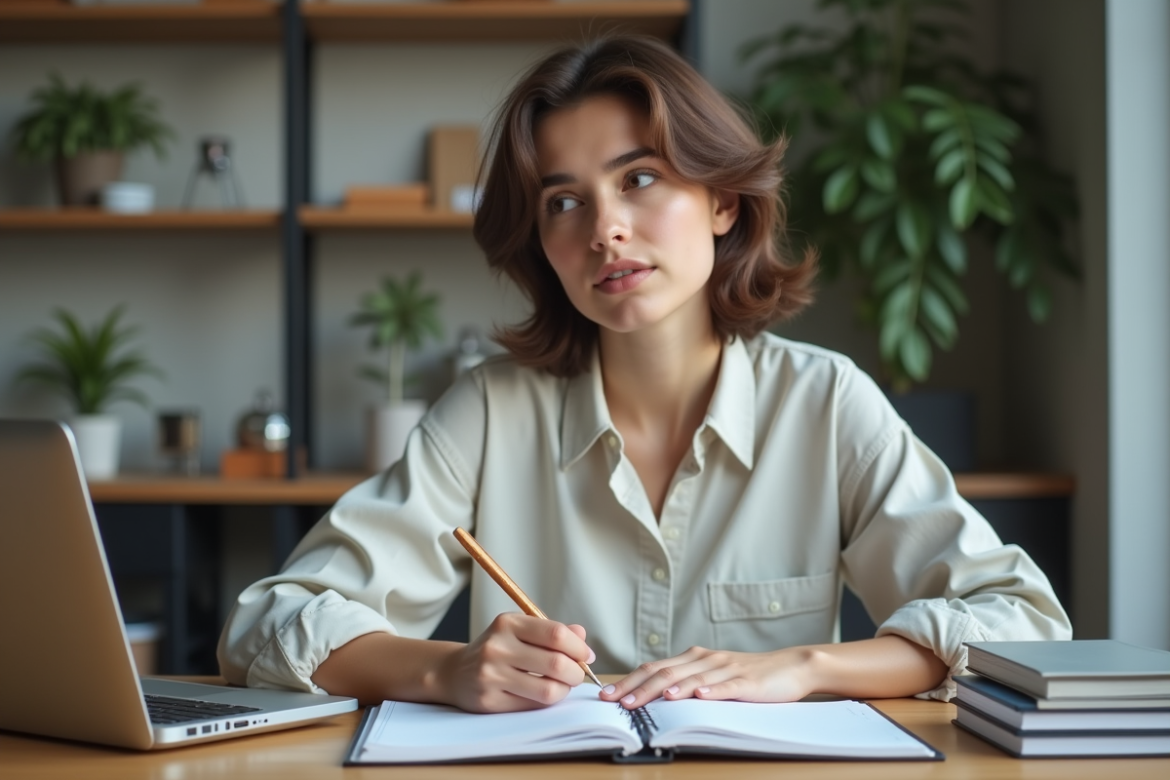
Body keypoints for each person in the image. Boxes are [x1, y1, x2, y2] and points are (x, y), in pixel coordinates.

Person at [218, 35, 1070, 714]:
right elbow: (266, 624)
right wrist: (445, 670)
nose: (605, 230)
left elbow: (1024, 623)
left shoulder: (825, 402)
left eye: (641, 179)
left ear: (723, 201)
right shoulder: (489, 411)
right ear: (543, 246)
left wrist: (804, 667)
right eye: (564, 202)